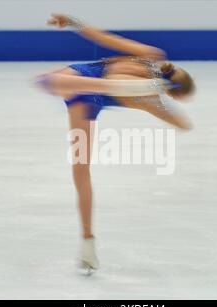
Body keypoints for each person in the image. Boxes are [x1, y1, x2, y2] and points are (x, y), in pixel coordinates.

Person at [36, 14, 196, 272]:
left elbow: (104, 38)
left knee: (80, 168)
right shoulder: (151, 83)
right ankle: (87, 241)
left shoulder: (151, 87)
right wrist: (162, 92)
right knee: (80, 167)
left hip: (87, 95)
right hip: (86, 83)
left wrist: (72, 22)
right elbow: (183, 124)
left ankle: (88, 243)